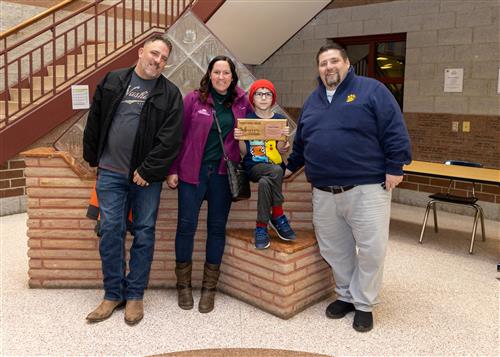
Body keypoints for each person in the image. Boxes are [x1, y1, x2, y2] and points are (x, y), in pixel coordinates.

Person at [284, 43, 411, 332]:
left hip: (366, 187)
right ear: (318, 70)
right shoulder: (312, 101)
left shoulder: (372, 90)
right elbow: (303, 142)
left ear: (346, 64)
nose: (328, 67)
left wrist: (396, 167)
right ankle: (345, 295)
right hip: (324, 191)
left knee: (371, 249)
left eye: (333, 61)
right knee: (335, 249)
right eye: (323, 63)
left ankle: (364, 303)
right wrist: (288, 169)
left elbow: (394, 129)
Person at [83, 35, 183, 325]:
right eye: (154, 54)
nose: (158, 61)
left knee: (144, 232)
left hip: (145, 179)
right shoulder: (113, 81)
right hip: (111, 172)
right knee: (111, 229)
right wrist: (94, 159)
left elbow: (170, 140)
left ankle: (136, 295)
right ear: (140, 52)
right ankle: (113, 293)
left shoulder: (170, 94)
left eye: (164, 58)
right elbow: (95, 120)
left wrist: (148, 170)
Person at [166, 55, 251, 313]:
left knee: (216, 229)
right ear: (210, 74)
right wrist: (172, 169)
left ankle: (208, 290)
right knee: (186, 228)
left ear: (233, 76)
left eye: (226, 73)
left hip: (224, 176)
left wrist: (279, 139)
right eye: (217, 72)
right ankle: (183, 287)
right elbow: (177, 136)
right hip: (193, 173)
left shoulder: (241, 103)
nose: (221, 77)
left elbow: (259, 126)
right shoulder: (194, 99)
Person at [234, 79, 295, 249]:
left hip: (274, 164)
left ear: (272, 98)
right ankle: (277, 214)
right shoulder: (247, 120)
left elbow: (282, 150)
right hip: (254, 165)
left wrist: (284, 137)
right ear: (252, 99)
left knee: (266, 181)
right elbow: (244, 153)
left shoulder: (280, 119)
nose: (263, 97)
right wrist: (240, 139)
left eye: (267, 94)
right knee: (274, 171)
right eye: (259, 94)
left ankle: (261, 227)